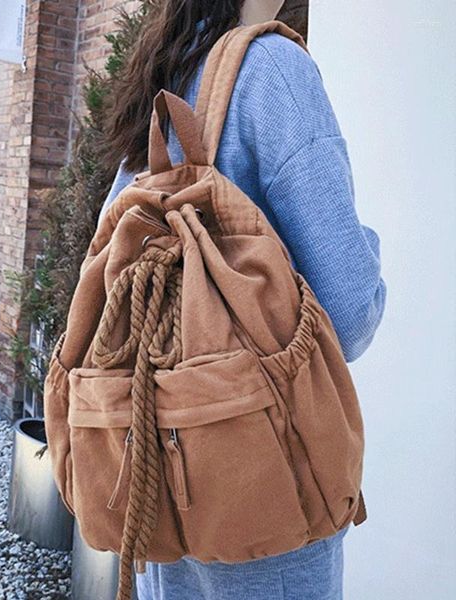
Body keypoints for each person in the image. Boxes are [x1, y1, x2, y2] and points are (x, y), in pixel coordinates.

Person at [97, 1, 387, 599]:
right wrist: (369, 248)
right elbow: (352, 310)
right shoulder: (274, 68)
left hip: (161, 481)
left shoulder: (167, 72)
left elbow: (108, 262)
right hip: (264, 495)